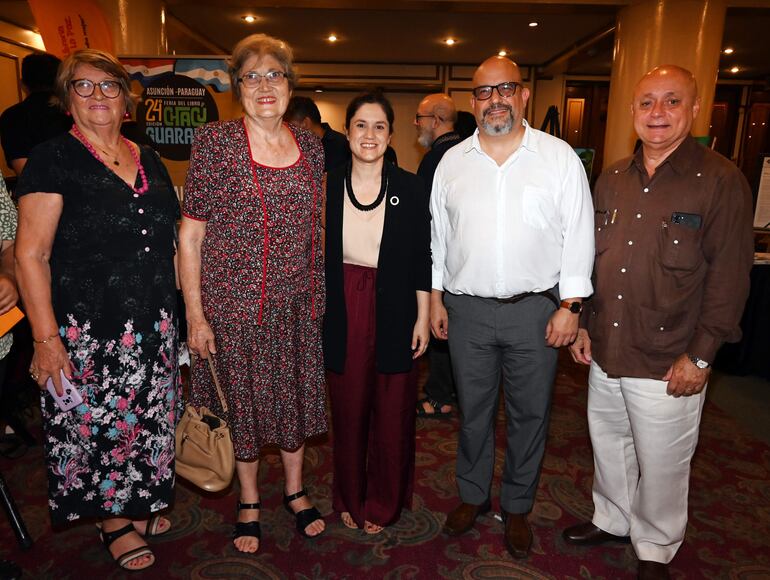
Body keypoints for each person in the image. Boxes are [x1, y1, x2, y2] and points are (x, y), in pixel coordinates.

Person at [562, 65, 754, 580]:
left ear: (694, 110)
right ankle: (613, 519)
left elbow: (731, 278)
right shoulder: (611, 178)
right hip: (607, 346)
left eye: (672, 102)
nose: (658, 113)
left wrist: (701, 355)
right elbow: (595, 263)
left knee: (664, 464)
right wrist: (584, 324)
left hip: (671, 357)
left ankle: (656, 547)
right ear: (632, 112)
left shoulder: (720, 180)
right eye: (647, 102)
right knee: (609, 443)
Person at [14, 48, 181, 571]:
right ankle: (114, 521)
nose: (98, 96)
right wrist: (45, 338)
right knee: (100, 427)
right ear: (67, 100)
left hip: (152, 322)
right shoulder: (53, 157)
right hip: (88, 325)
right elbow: (30, 253)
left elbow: (169, 240)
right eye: (83, 87)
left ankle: (140, 499)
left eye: (109, 86)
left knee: (149, 420)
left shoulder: (147, 156)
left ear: (127, 99)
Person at [430, 55, 594, 559]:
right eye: (483, 92)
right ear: (471, 102)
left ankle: (518, 505)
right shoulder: (452, 162)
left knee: (530, 415)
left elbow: (579, 234)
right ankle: (473, 496)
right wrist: (436, 296)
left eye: (505, 89)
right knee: (473, 413)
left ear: (523, 95)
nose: (494, 99)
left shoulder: (559, 157)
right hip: (467, 312)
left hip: (536, 312)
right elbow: (439, 236)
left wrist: (571, 305)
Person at [178, 34, 327, 554]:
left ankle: (294, 489)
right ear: (237, 87)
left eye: (275, 75)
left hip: (295, 307)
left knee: (293, 402)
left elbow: (318, 228)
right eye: (252, 76)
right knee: (240, 408)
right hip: (232, 310)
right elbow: (190, 234)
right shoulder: (216, 144)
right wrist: (195, 316)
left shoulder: (310, 145)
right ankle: (248, 500)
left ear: (290, 85)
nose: (265, 86)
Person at [323, 92, 431, 534]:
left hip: (396, 303)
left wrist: (424, 316)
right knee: (348, 411)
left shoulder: (409, 186)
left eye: (379, 126)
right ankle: (349, 495)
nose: (369, 135)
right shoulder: (326, 184)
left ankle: (385, 501)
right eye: (361, 125)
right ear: (347, 132)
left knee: (392, 411)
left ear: (391, 134)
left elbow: (424, 256)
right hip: (342, 304)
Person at [414, 93, 461, 419]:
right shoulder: (467, 151)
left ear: (436, 120)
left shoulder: (435, 159)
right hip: (464, 261)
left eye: (419, 117)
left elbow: (423, 217)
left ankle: (440, 396)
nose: (416, 123)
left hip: (440, 260)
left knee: (441, 328)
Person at [0, 53, 72, 175]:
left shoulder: (12, 116)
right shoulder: (74, 110)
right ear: (60, 82)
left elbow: (24, 171)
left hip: (38, 189)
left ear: (23, 84)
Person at [285, 96, 350, 172]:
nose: (288, 130)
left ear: (305, 123)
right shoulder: (293, 148)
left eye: (291, 126)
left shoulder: (342, 145)